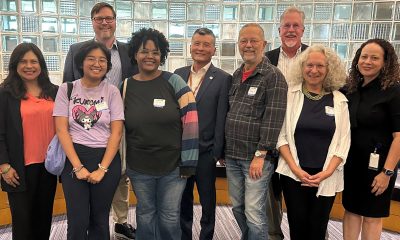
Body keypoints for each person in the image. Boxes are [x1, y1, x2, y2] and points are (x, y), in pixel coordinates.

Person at [63, 2, 137, 239]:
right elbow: (67, 85)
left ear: (115, 20)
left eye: (109, 18)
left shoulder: (128, 51)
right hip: (83, 125)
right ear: (92, 22)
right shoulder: (76, 50)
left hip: (119, 122)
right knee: (82, 212)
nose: (104, 22)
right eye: (99, 18)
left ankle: (121, 221)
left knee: (121, 173)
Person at [124, 28, 199, 240]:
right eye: (144, 51)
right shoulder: (126, 87)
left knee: (169, 217)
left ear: (162, 55)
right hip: (138, 165)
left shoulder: (174, 82)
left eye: (155, 52)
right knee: (145, 215)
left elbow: (191, 122)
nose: (150, 56)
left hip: (173, 167)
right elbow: (118, 128)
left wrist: (189, 162)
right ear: (135, 54)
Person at [276, 44, 350, 240]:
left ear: (329, 69)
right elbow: (281, 136)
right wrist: (296, 170)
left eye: (320, 66)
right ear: (302, 67)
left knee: (318, 227)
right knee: (297, 226)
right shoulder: (289, 95)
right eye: (309, 65)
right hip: (293, 175)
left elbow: (343, 143)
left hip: (326, 175)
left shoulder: (340, 101)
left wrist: (325, 173)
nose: (314, 70)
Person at [54, 41, 123, 240]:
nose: (97, 63)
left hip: (106, 158)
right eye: (91, 59)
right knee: (77, 220)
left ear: (108, 66)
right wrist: (77, 167)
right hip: (74, 157)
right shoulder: (66, 89)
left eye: (102, 60)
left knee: (99, 220)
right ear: (81, 63)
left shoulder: (112, 92)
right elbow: (61, 130)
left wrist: (102, 169)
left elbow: (116, 133)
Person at [224, 23, 287, 240]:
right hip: (232, 155)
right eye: (244, 41)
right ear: (239, 44)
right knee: (238, 208)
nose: (248, 45)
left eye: (254, 41)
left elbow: (274, 117)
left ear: (264, 44)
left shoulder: (273, 76)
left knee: (253, 211)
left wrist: (261, 154)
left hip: (256, 158)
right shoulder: (236, 74)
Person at [174, 27, 232, 240]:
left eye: (206, 44)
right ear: (190, 47)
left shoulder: (223, 78)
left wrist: (217, 151)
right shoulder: (178, 74)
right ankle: (184, 236)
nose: (200, 48)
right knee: (183, 199)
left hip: (206, 152)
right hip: (181, 150)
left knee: (208, 200)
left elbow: (221, 116)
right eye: (197, 43)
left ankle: (206, 236)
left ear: (213, 49)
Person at [342, 39, 400, 240]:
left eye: (374, 58)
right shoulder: (351, 88)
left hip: (380, 166)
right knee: (350, 210)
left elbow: (399, 137)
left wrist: (387, 172)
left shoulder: (394, 91)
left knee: (372, 216)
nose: (367, 61)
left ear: (385, 62)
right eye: (364, 56)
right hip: (351, 163)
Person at [0, 42, 58, 240]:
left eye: (34, 61)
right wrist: (4, 166)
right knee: (23, 225)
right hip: (18, 169)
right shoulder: (5, 93)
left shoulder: (54, 91)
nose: (29, 66)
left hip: (49, 167)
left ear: (41, 65)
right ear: (15, 65)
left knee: (43, 221)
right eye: (23, 61)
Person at [264, 6, 308, 239]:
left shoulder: (315, 57)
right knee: (271, 197)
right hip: (271, 138)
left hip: (303, 140)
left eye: (295, 26)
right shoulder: (266, 59)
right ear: (279, 30)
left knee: (300, 199)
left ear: (303, 29)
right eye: (286, 26)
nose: (291, 30)